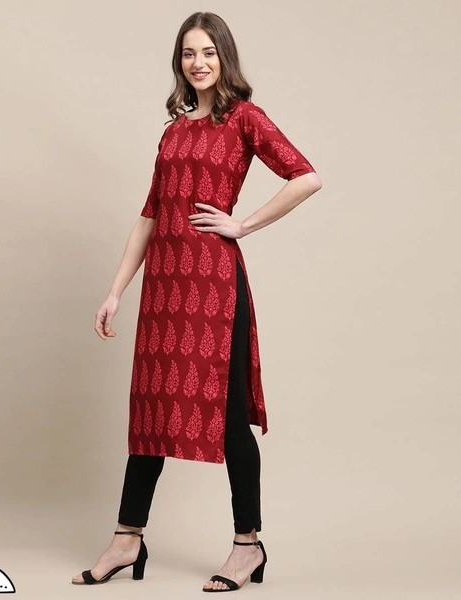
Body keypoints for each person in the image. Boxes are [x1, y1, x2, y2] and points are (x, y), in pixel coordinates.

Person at [71, 11, 322, 593]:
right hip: (165, 290)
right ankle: (126, 539)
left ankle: (247, 546)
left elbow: (306, 177)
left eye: (208, 51)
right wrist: (115, 291)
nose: (198, 62)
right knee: (150, 412)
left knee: (228, 417)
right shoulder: (174, 131)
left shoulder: (245, 119)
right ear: (178, 62)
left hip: (213, 288)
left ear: (224, 57)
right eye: (188, 53)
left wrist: (242, 224)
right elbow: (151, 213)